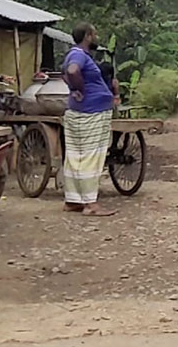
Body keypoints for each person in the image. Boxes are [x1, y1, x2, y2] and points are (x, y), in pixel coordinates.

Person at [61, 22, 116, 217]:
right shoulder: (78, 55)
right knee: (91, 157)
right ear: (88, 36)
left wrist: (75, 89)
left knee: (76, 155)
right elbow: (73, 71)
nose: (97, 37)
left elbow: (65, 73)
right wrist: (80, 89)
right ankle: (90, 204)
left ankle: (73, 200)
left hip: (81, 111)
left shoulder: (73, 54)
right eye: (95, 34)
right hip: (91, 113)